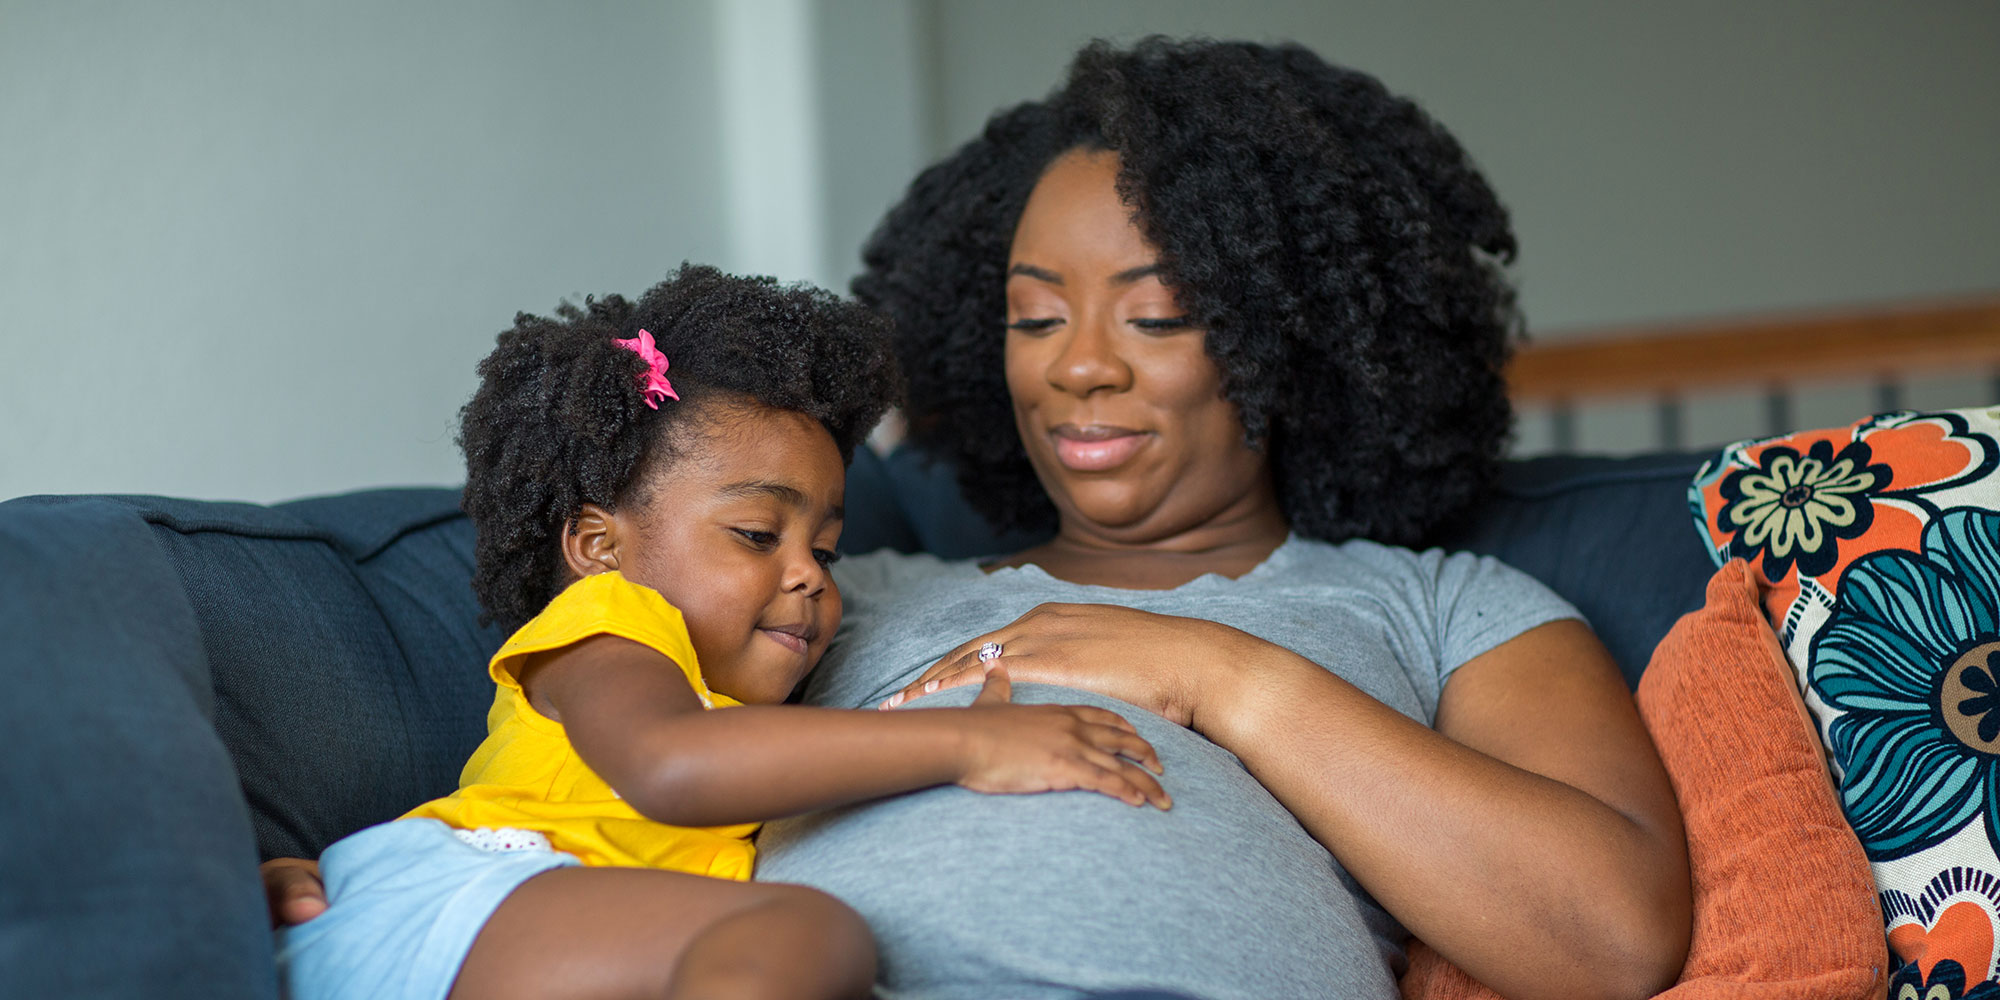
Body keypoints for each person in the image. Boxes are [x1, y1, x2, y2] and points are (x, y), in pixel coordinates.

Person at [272, 38, 1693, 1000]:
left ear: (1299, 332)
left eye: (1160, 314)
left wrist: (1213, 673)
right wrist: (366, 889)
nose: (1077, 364)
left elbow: (1610, 935)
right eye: (1030, 315)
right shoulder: (817, 586)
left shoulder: (1443, 607)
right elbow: (607, 775)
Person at [270, 264, 1170, 1000]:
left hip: (533, 929)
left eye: (826, 546)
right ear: (598, 546)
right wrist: (967, 740)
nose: (811, 573)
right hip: (460, 894)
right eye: (755, 534)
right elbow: (673, 763)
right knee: (796, 933)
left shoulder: (737, 699)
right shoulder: (610, 626)